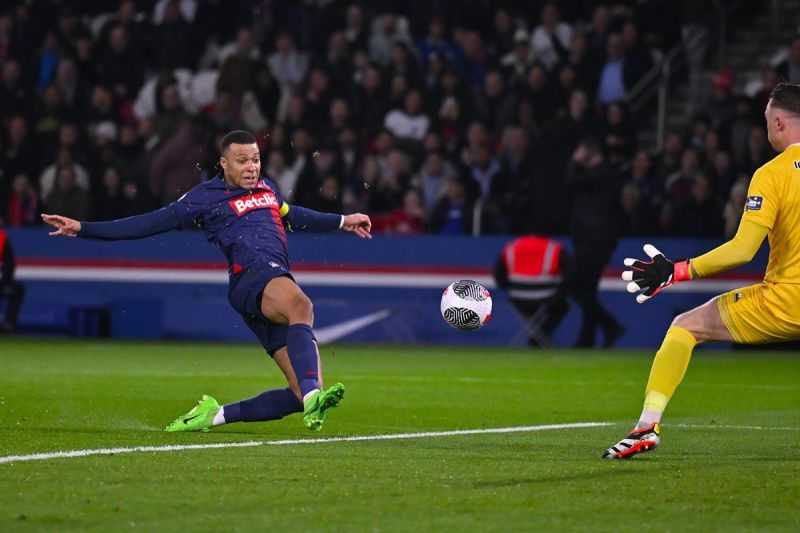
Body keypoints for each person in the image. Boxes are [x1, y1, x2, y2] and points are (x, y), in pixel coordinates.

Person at [42, 130, 372, 433]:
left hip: (263, 289)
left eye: (255, 159)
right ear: (223, 163)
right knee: (301, 305)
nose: (251, 167)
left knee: (298, 394)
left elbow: (292, 215)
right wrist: (84, 228)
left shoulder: (267, 188)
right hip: (253, 278)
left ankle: (214, 415)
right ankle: (316, 394)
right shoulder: (205, 196)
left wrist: (342, 220)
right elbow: (151, 223)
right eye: (242, 161)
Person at [603, 82, 800, 459]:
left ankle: (646, 427)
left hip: (785, 301)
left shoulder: (772, 174)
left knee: (685, 326)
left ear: (778, 123)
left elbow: (743, 250)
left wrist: (676, 271)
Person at [493, 235, 571, 347]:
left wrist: (510, 288)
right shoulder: (553, 247)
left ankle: (537, 337)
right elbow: (570, 274)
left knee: (535, 314)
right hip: (546, 298)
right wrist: (559, 293)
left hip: (518, 299)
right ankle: (540, 336)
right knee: (562, 306)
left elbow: (499, 274)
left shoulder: (512, 246)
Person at [0, 229, 25, 333]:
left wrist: (4, 282)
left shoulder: (2, 237)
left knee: (17, 289)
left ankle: (8, 324)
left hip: (1, 281)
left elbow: (10, 263)